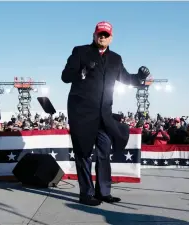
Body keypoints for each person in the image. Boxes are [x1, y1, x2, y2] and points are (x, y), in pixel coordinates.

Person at [61, 21, 150, 206]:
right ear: (94, 35)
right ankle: (86, 194)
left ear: (111, 37)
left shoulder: (116, 59)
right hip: (82, 114)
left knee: (104, 152)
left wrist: (140, 77)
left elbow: (126, 78)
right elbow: (65, 76)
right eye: (100, 34)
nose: (102, 37)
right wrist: (82, 72)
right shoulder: (80, 51)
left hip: (104, 115)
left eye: (106, 35)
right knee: (84, 154)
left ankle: (103, 192)